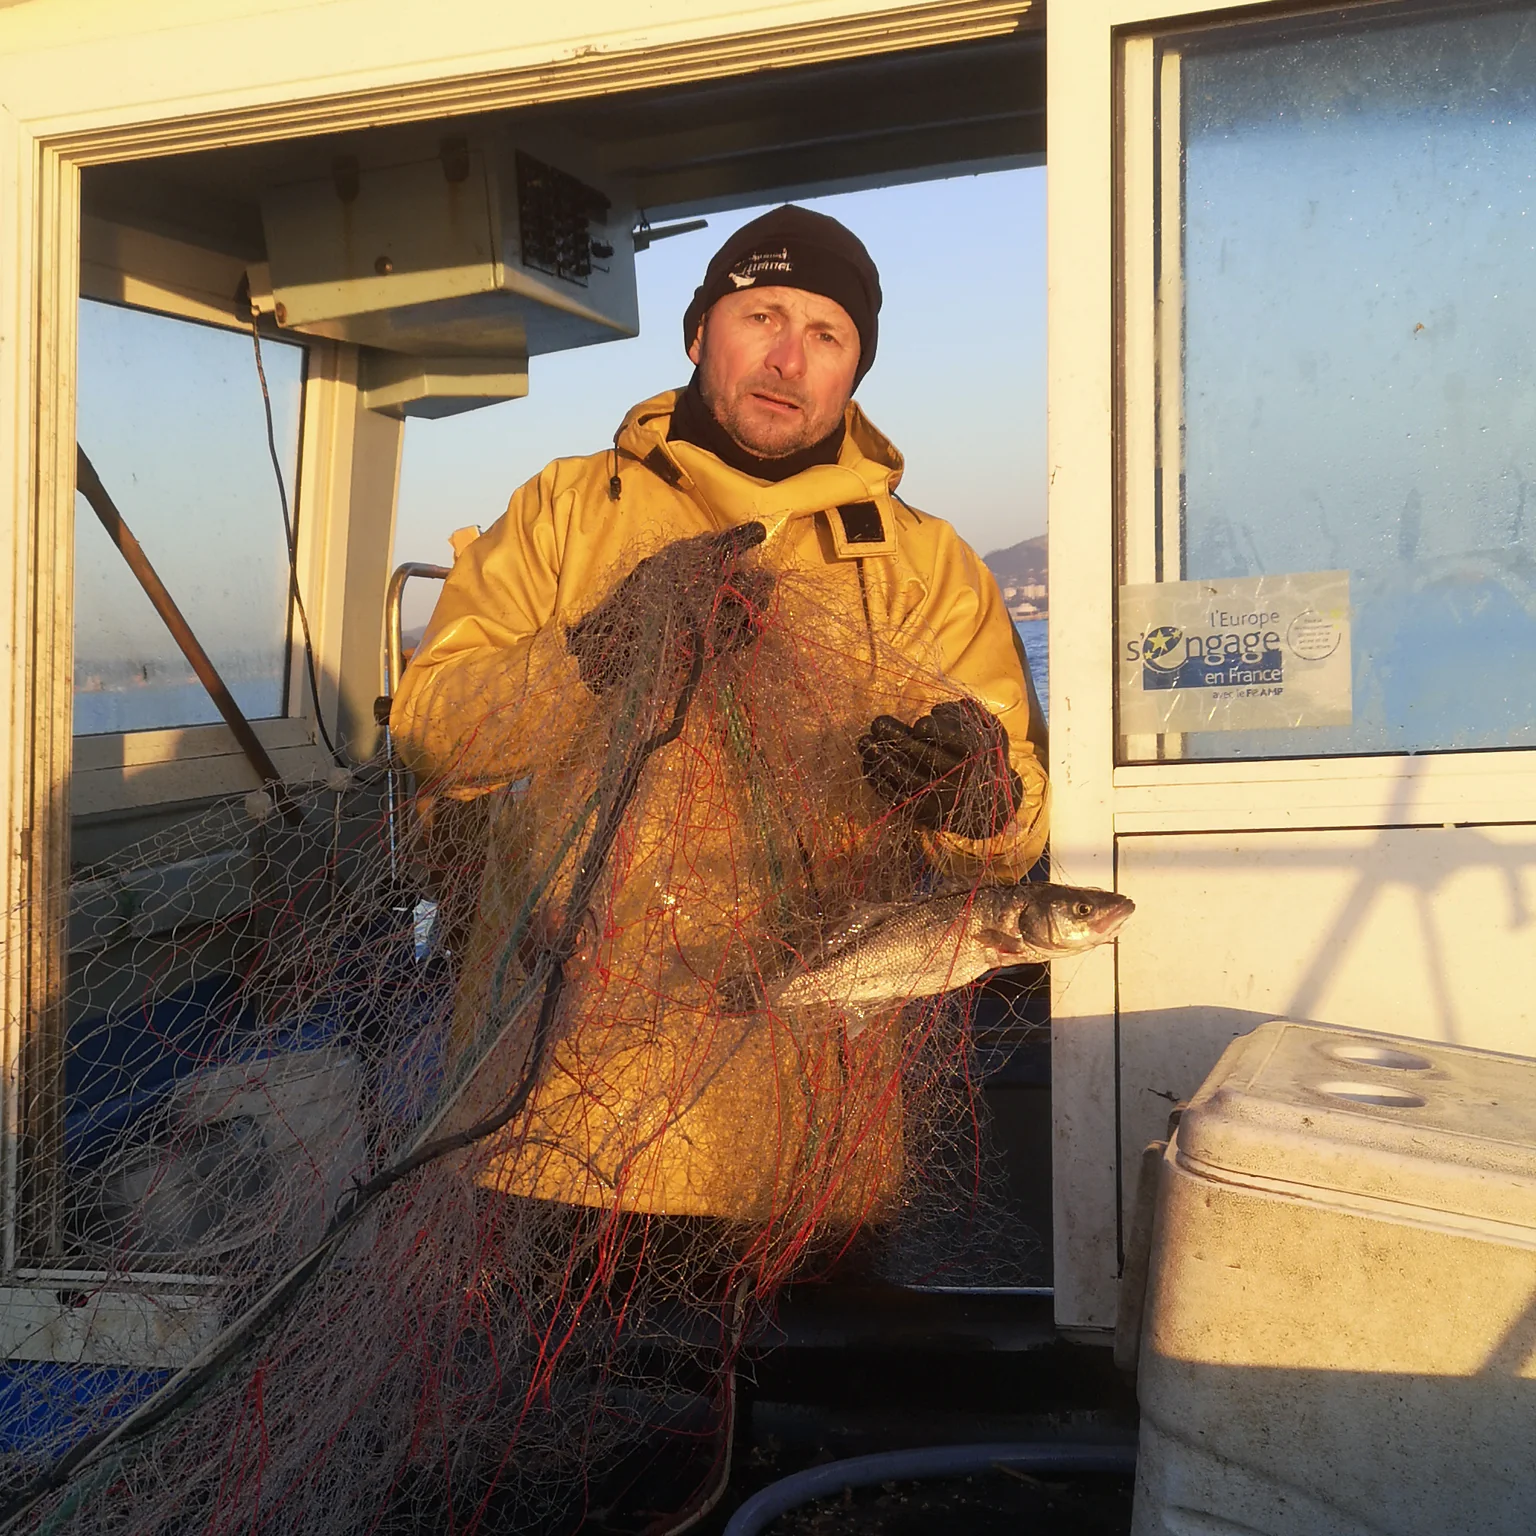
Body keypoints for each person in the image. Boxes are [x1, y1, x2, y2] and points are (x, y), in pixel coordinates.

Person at [390, 203, 1048, 1217]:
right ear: (700, 333)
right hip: (551, 1125)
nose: (789, 358)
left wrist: (982, 803)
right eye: (762, 317)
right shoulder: (564, 512)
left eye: (827, 335)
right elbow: (434, 729)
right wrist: (593, 658)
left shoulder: (927, 568)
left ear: (854, 371)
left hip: (812, 1146)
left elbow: (1006, 857)